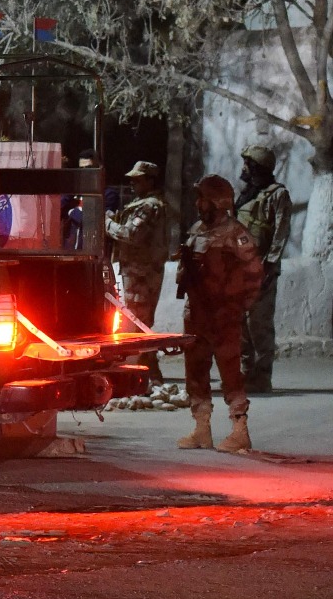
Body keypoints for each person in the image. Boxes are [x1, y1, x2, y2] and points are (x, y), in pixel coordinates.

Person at [175, 174, 264, 454]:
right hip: (197, 314)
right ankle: (202, 429)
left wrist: (237, 306)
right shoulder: (197, 230)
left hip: (223, 315)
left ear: (217, 202)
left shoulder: (235, 233)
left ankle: (240, 431)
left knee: (230, 373)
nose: (198, 203)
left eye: (203, 198)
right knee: (196, 372)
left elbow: (254, 274)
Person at [105, 161, 170, 382]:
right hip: (136, 272)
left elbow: (130, 234)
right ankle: (149, 372)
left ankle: (145, 374)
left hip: (141, 274)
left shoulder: (150, 206)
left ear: (150, 181)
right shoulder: (144, 203)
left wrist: (106, 224)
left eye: (138, 179)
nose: (132, 183)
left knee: (137, 322)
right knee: (137, 323)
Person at [236, 144, 292, 394]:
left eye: (248, 164)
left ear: (258, 166)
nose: (244, 168)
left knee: (259, 324)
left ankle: (262, 376)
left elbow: (281, 232)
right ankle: (247, 373)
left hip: (262, 270)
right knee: (241, 325)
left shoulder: (277, 194)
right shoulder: (247, 194)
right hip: (240, 269)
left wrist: (269, 264)